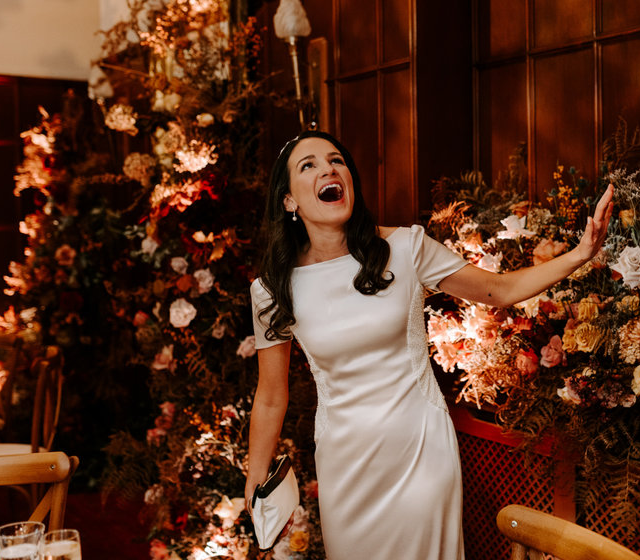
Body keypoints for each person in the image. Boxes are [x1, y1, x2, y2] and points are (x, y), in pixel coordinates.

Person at [245, 130, 614, 559]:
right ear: (289, 200)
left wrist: (580, 253)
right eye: (308, 165)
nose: (328, 168)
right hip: (344, 465)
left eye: (336, 160)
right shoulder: (272, 290)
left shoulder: (404, 248)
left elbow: (498, 291)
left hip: (419, 449)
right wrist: (256, 479)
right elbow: (271, 397)